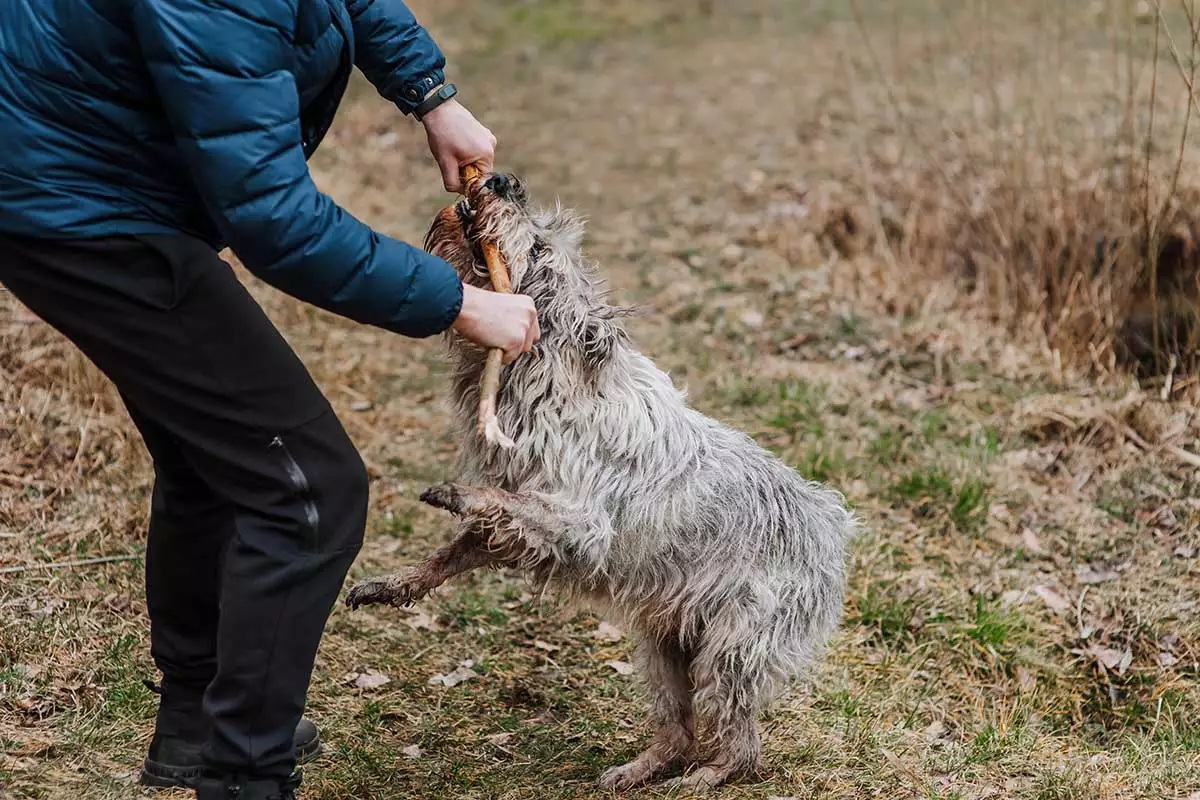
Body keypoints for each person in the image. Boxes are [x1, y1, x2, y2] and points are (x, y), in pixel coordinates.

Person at [0, 2, 539, 799]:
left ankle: (197, 724)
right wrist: (455, 303)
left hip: (80, 174)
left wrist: (430, 92)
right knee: (309, 492)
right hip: (70, 206)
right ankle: (244, 776)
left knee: (219, 459)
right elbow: (274, 219)